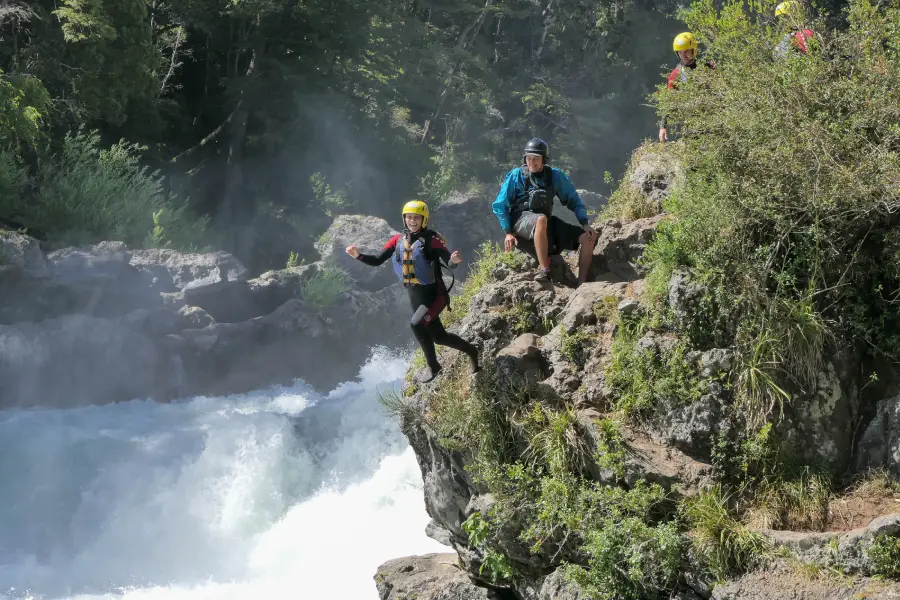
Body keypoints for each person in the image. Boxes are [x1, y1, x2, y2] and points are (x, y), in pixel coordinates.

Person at [346, 200, 479, 383]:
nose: (412, 221)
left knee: (416, 325)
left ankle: (433, 366)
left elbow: (449, 262)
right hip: (415, 296)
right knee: (440, 337)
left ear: (424, 219)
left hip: (434, 296)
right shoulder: (397, 240)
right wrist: (358, 255)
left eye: (416, 217)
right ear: (404, 219)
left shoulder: (432, 240)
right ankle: (472, 351)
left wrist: (454, 261)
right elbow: (377, 260)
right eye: (409, 217)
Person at [491, 138, 597, 286]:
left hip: (545, 221)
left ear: (544, 159)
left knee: (588, 237)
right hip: (521, 220)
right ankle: (544, 270)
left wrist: (585, 223)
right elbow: (500, 205)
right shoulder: (516, 175)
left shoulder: (555, 175)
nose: (532, 162)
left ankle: (582, 282)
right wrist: (508, 232)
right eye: (529, 158)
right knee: (541, 219)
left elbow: (573, 199)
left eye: (536, 158)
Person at [659, 32, 716, 143]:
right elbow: (670, 102)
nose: (683, 55)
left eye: (686, 51)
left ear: (693, 50)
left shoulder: (707, 67)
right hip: (692, 122)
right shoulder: (676, 74)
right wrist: (663, 126)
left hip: (713, 116)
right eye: (680, 52)